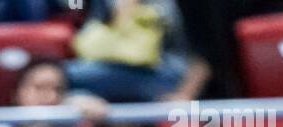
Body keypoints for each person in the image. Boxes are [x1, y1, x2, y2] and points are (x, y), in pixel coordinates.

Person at [66, 0, 211, 104]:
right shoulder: (104, 4)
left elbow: (206, 54)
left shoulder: (180, 5)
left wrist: (184, 94)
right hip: (111, 69)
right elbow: (90, 45)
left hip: (163, 75)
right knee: (62, 76)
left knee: (70, 77)